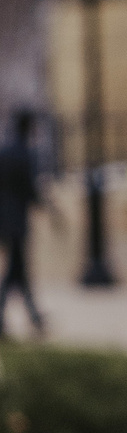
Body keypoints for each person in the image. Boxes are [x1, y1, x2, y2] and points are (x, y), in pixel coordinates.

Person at [0, 111, 45, 341]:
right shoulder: (25, 154)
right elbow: (29, 189)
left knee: (17, 271)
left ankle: (35, 316)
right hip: (16, 221)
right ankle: (34, 317)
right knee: (16, 271)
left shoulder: (4, 152)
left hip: (4, 221)